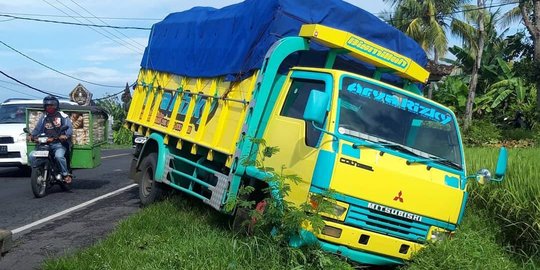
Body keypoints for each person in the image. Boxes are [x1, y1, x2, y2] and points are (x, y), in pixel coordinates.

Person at [29, 96, 74, 183]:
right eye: (47, 106)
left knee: (59, 156)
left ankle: (65, 174)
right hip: (44, 144)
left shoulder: (63, 116)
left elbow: (69, 129)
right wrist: (32, 135)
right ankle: (37, 172)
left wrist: (65, 136)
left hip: (58, 144)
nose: (49, 107)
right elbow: (37, 129)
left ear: (56, 106)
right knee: (31, 155)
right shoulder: (43, 117)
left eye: (51, 105)